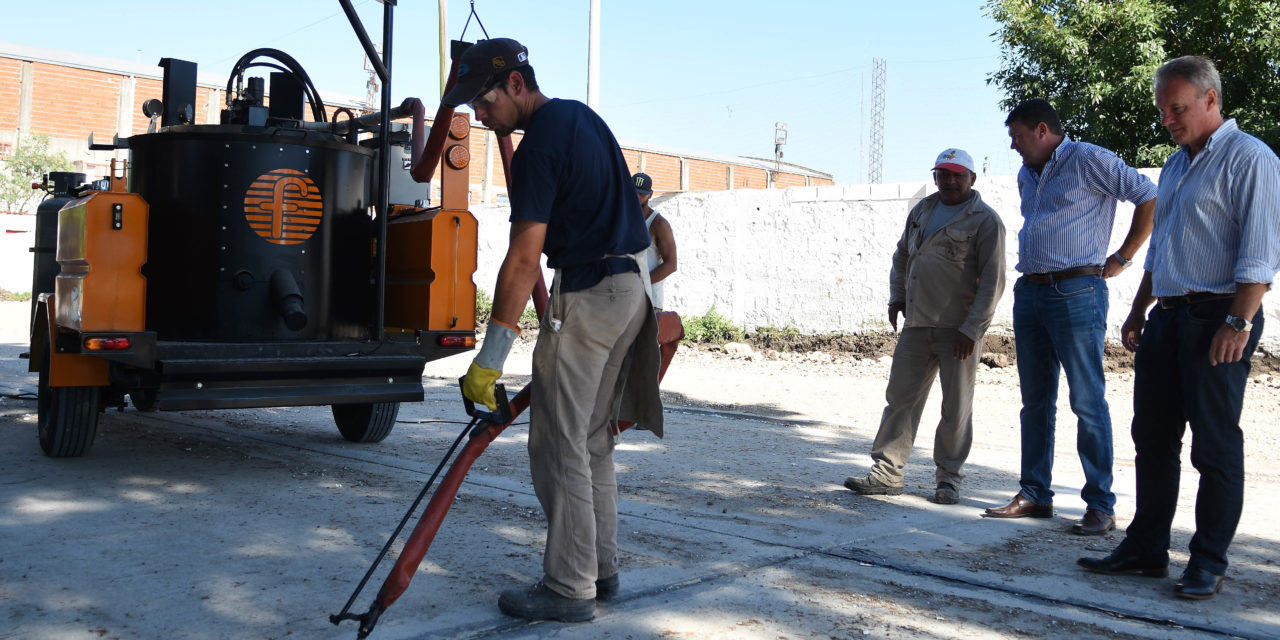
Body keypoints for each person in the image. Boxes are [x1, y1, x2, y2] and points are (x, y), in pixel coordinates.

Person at [448, 37, 663, 622]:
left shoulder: (539, 144)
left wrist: (489, 359)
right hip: (630, 290)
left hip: (590, 293)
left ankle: (569, 587)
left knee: (558, 442)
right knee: (592, 441)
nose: (481, 116)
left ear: (517, 84)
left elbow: (523, 260)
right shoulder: (580, 117)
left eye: (485, 103)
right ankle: (600, 568)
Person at [1078, 56, 1280, 600]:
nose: (1167, 119)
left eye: (1177, 108)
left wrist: (1240, 319)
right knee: (1153, 437)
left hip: (1220, 316)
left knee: (1213, 445)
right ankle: (1146, 550)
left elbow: (1261, 253)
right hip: (1167, 315)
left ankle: (1208, 560)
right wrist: (1141, 307)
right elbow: (1161, 247)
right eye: (1162, 110)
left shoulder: (1251, 159)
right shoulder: (1174, 165)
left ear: (1211, 101)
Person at [984, 99, 1157, 536]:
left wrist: (1123, 256)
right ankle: (1035, 493)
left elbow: (1150, 195)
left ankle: (1100, 504)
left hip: (1078, 291)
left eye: (1018, 137)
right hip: (1032, 292)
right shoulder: (1028, 173)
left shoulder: (1090, 159)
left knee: (1087, 400)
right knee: (1035, 402)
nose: (1013, 146)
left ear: (1043, 130)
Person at [844, 148, 1006, 505]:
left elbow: (993, 280)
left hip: (958, 330)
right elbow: (902, 255)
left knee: (956, 407)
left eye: (957, 175)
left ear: (972, 179)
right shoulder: (922, 211)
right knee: (899, 400)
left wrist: (972, 328)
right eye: (942, 174)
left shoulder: (985, 221)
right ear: (935, 177)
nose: (949, 181)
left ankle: (948, 480)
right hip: (917, 324)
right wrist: (897, 296)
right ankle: (887, 473)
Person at [632, 172, 677, 312]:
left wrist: (640, 283)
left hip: (650, 302)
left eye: (642, 194)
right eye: (635, 192)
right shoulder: (624, 220)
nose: (638, 197)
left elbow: (671, 264)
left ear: (650, 194)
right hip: (626, 299)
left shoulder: (658, 223)